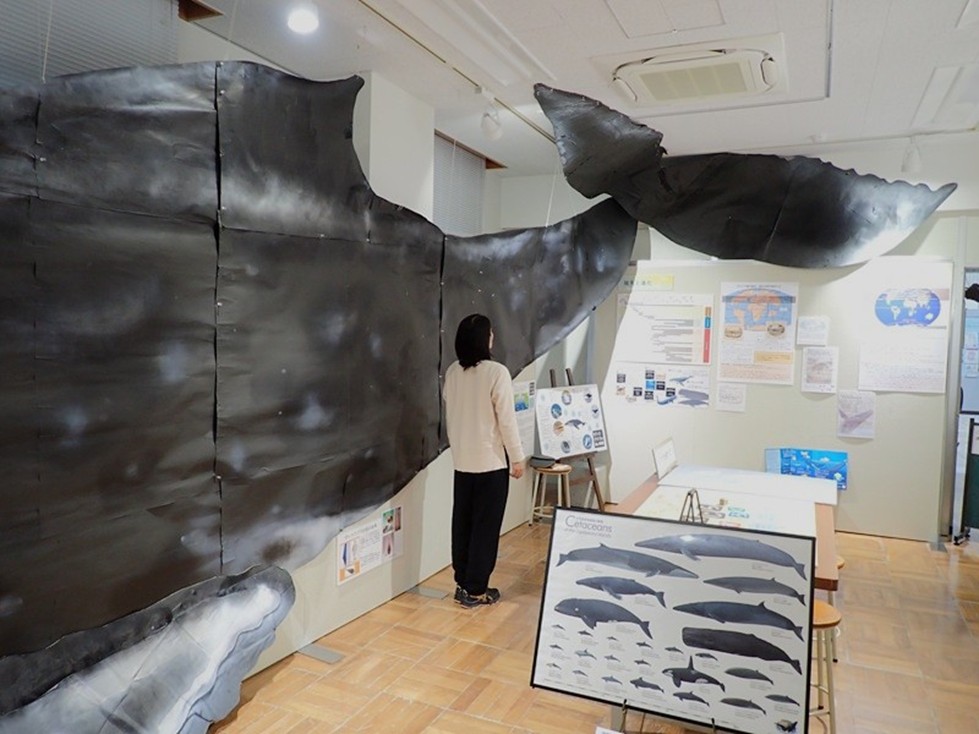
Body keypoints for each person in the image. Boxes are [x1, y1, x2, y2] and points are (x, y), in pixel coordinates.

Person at [443, 313, 526, 608]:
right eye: (490, 333)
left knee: (462, 525)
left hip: (462, 462)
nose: (493, 338)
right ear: (483, 339)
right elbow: (507, 421)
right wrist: (517, 458)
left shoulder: (453, 372)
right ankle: (476, 589)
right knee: (485, 529)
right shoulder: (496, 372)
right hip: (491, 463)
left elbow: (452, 408)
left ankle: (463, 583)